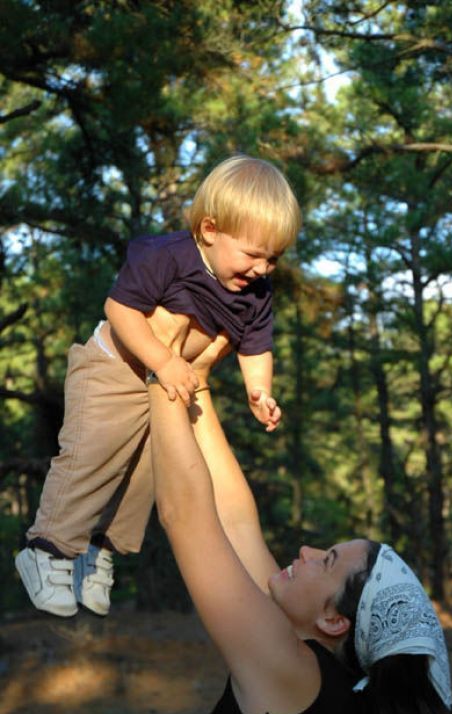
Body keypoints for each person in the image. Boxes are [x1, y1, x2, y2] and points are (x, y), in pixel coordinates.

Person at [147, 334, 452, 714]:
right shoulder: (314, 673)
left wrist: (157, 366)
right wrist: (197, 385)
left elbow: (185, 516)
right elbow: (237, 523)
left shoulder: (295, 676)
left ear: (334, 620)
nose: (305, 551)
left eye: (326, 560)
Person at [15, 155, 301, 619]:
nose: (264, 269)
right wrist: (165, 360)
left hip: (168, 384)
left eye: (274, 258)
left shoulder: (256, 293)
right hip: (112, 370)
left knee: (143, 475)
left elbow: (255, 346)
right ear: (210, 230)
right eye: (254, 254)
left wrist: (259, 391)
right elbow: (119, 310)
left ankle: (98, 552)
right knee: (93, 455)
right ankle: (47, 549)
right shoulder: (166, 256)